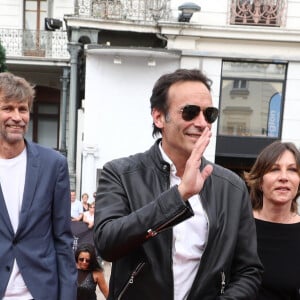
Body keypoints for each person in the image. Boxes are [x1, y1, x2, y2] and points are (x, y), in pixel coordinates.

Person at [94, 68, 263, 300]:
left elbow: (248, 270)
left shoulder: (232, 187)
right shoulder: (121, 174)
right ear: (159, 117)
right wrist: (180, 195)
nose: (202, 123)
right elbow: (107, 244)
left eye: (209, 114)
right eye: (190, 112)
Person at [0, 72, 77, 299]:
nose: (17, 117)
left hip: (40, 292)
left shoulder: (53, 165)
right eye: (8, 108)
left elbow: (62, 239)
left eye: (22, 109)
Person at [244, 141, 300, 299]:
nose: (284, 177)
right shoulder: (239, 225)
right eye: (275, 169)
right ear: (260, 181)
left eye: (292, 170)